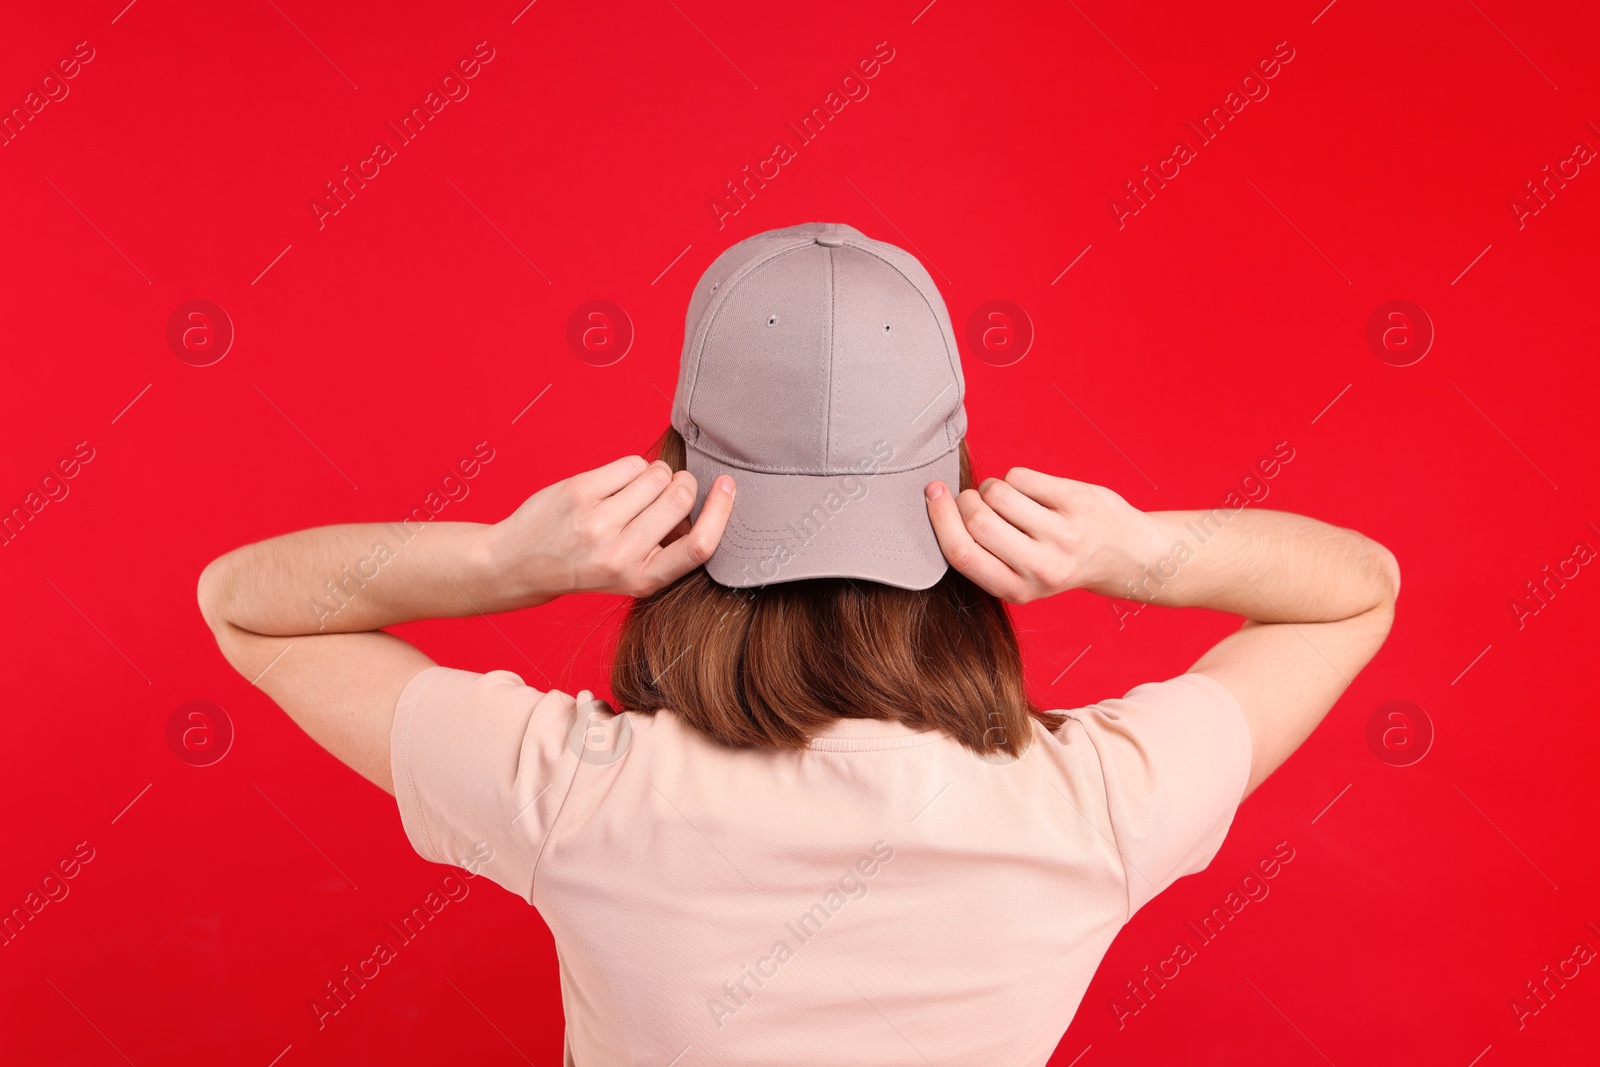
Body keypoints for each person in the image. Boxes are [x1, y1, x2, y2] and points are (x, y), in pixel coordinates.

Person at [197, 222, 1399, 1064]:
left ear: (677, 487)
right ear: (956, 492)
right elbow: (1356, 588)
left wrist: (504, 562)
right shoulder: (1094, 803)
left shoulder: (567, 790)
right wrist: (1133, 551)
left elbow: (244, 600)